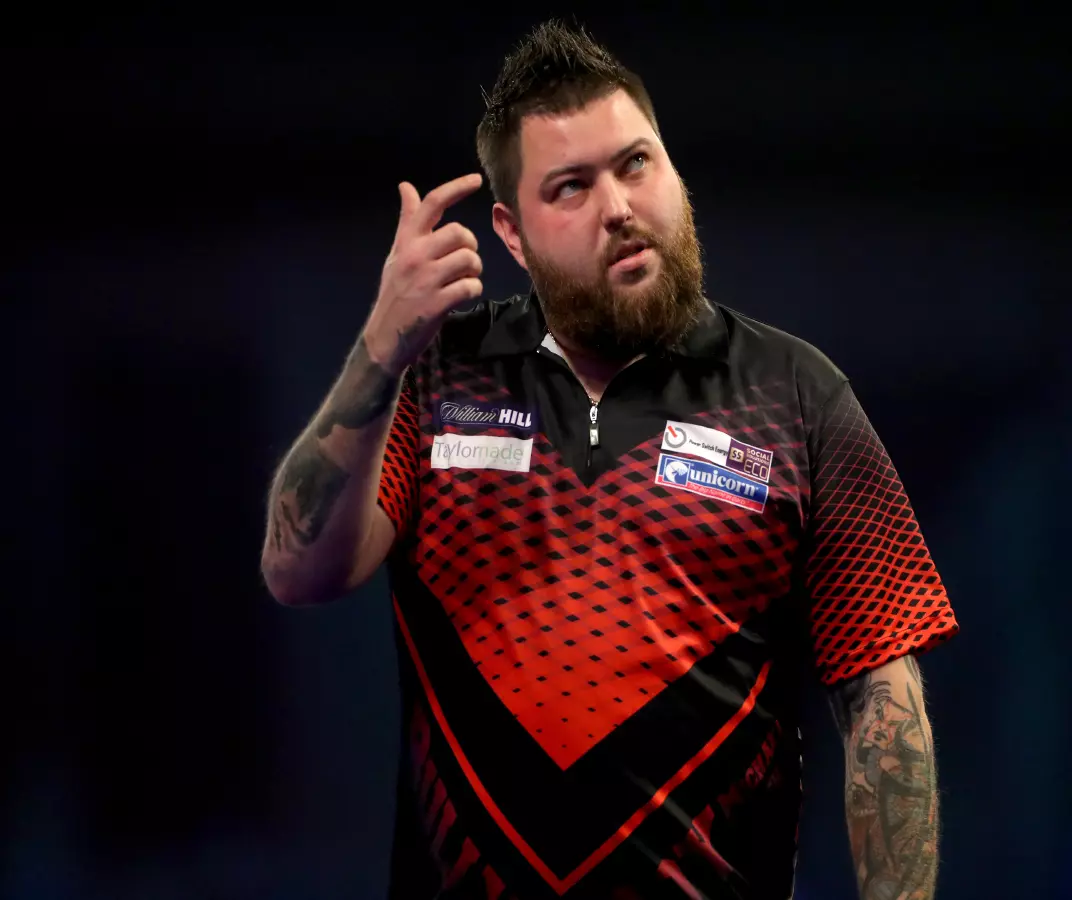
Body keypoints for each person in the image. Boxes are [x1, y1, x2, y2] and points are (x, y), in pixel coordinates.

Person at [260, 19, 960, 900]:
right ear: (512, 235)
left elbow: (880, 702)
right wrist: (379, 351)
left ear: (673, 169)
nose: (619, 206)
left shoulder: (801, 393)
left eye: (636, 163)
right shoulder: (436, 374)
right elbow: (298, 569)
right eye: (572, 187)